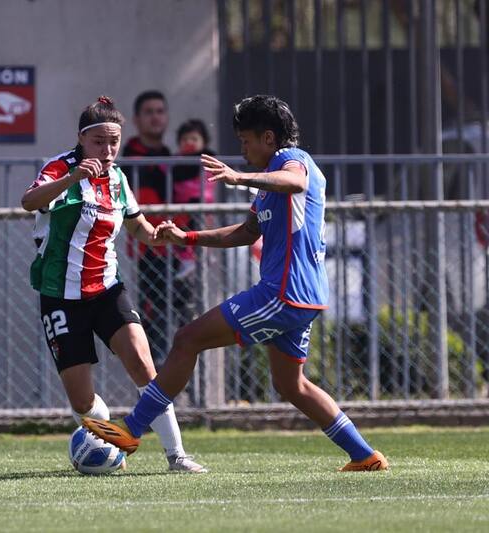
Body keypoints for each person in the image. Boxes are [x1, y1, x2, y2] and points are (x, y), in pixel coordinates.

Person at [85, 95, 389, 472]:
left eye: (245, 141)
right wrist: (187, 238)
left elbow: (294, 181)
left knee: (187, 338)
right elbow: (247, 232)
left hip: (282, 292)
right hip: (299, 296)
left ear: (268, 137)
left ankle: (131, 429)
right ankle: (364, 455)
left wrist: (238, 177)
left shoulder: (290, 162)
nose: (242, 151)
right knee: (292, 385)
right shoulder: (270, 183)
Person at [21, 95, 207, 473]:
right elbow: (28, 201)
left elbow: (138, 226)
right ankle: (106, 446)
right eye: (98, 142)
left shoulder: (118, 178)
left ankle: (177, 456)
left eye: (114, 142)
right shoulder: (60, 168)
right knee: (81, 399)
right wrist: (71, 179)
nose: (107, 150)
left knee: (143, 362)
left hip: (107, 288)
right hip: (61, 296)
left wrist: (162, 234)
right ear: (81, 139)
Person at [120, 90, 177, 364]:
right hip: (147, 250)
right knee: (152, 314)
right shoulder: (131, 157)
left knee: (177, 313)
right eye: (149, 112)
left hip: (174, 247)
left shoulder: (167, 154)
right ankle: (156, 381)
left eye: (160, 111)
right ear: (136, 119)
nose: (156, 117)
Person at [172, 119, 216, 281]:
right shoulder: (175, 163)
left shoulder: (208, 160)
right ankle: (187, 259)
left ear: (204, 142)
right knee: (184, 232)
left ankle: (205, 254)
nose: (189, 143)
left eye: (194, 139)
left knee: (203, 231)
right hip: (181, 207)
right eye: (184, 139)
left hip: (201, 204)